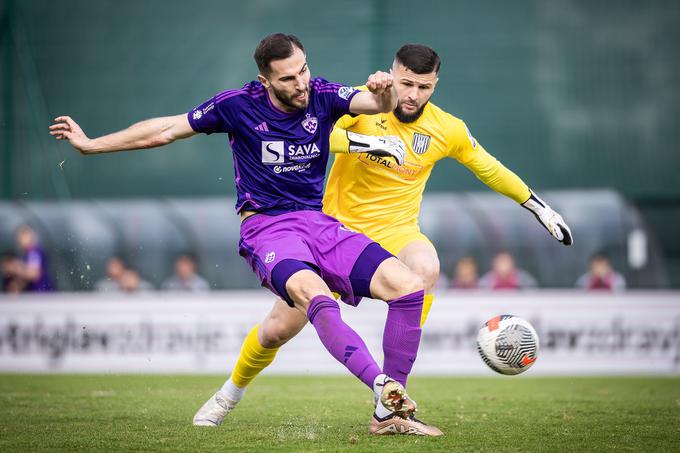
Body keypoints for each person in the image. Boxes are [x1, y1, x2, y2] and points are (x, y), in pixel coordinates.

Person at [49, 33, 438, 436]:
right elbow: (166, 129)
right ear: (265, 80)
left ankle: (391, 413)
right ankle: (370, 386)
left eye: (303, 69)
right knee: (314, 296)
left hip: (318, 223)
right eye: (287, 78)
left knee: (408, 287)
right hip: (267, 228)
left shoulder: (321, 93)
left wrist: (384, 90)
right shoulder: (236, 105)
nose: (301, 83)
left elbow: (378, 105)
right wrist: (92, 145)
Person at [215, 43, 572, 428]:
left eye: (424, 87)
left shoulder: (446, 128)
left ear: (435, 85)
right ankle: (229, 393)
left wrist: (538, 206)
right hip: (332, 231)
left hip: (397, 231)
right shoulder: (363, 105)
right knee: (277, 331)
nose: (413, 95)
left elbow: (489, 167)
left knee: (425, 268)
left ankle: (390, 403)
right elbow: (314, 136)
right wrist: (367, 142)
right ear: (392, 74)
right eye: (406, 84)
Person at [2, 225, 54, 292]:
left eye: (22, 237)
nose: (19, 241)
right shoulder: (26, 254)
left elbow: (34, 273)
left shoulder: (34, 252)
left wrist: (15, 267)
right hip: (36, 294)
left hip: (41, 293)